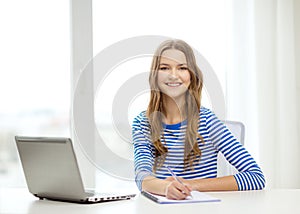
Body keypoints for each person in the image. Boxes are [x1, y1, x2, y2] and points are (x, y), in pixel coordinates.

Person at [132, 39, 265, 200]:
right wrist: (166, 186)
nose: (173, 75)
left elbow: (256, 177)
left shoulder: (207, 121)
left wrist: (190, 185)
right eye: (164, 68)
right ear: (155, 76)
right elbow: (142, 178)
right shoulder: (143, 123)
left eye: (182, 68)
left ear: (191, 76)